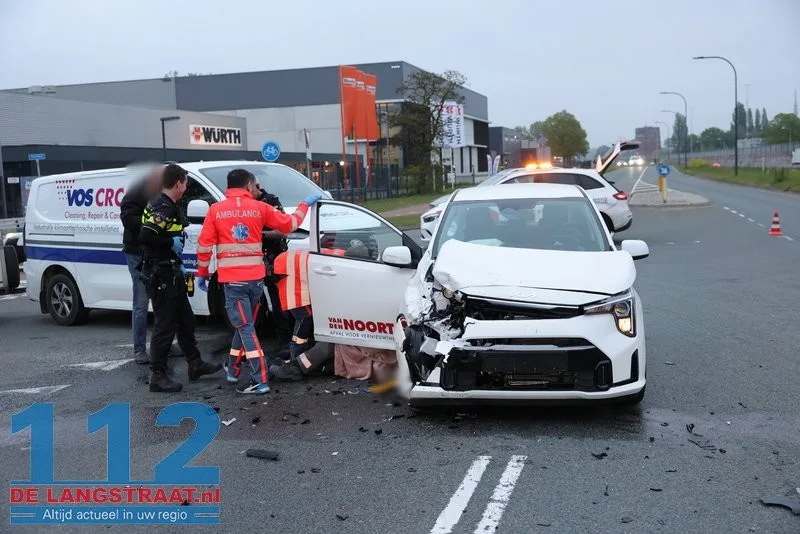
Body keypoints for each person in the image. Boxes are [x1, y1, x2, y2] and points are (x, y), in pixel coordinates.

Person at [194, 168, 321, 395]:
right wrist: (305, 204)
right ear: (248, 185)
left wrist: (202, 273)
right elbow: (290, 224)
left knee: (244, 327)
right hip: (255, 280)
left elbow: (204, 246)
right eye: (254, 186)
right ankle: (233, 369)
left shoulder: (216, 210)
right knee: (245, 325)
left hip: (233, 282)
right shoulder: (259, 207)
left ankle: (259, 379)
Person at [138, 163, 222, 393]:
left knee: (186, 321)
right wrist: (170, 243)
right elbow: (146, 236)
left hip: (170, 271)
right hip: (161, 275)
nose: (186, 188)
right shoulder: (163, 207)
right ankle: (158, 375)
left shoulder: (165, 204)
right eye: (185, 183)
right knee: (165, 326)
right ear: (178, 184)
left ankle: (195, 363)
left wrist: (179, 262)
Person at [269, 242, 365, 382]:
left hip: (291, 267)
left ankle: (296, 362)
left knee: (307, 320)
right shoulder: (341, 265)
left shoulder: (341, 256)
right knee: (305, 318)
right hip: (289, 273)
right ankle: (295, 362)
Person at [120, 163, 164, 364]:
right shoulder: (137, 191)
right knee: (141, 302)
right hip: (138, 252)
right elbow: (128, 219)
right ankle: (139, 350)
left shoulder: (160, 191)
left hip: (155, 251)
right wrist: (153, 224)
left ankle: (162, 344)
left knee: (162, 301)